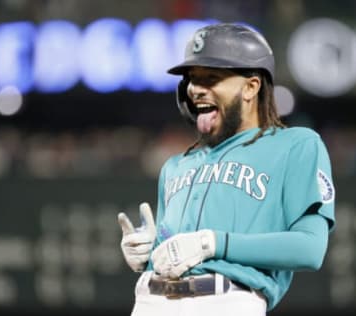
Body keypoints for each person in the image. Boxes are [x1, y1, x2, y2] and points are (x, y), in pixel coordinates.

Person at [117, 22, 335, 316]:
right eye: (193, 79)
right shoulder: (175, 166)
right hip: (150, 300)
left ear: (251, 86)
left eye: (212, 78)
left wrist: (213, 243)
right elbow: (180, 251)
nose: (196, 89)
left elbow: (309, 249)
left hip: (225, 301)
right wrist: (150, 254)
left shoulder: (295, 146)